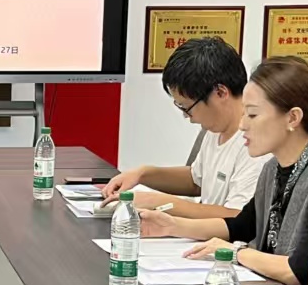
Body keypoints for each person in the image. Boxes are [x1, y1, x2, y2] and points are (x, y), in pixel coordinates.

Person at [143, 56, 308, 285]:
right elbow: (240, 226)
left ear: (293, 118)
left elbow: (298, 271)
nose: (242, 125)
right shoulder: (274, 168)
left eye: (253, 114)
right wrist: (172, 226)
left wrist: (236, 253)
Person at [102, 36, 262, 216]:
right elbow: (196, 181)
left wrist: (158, 202)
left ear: (220, 92)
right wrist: (142, 174)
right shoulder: (216, 128)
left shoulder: (256, 142)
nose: (187, 117)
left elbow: (237, 216)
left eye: (187, 108)